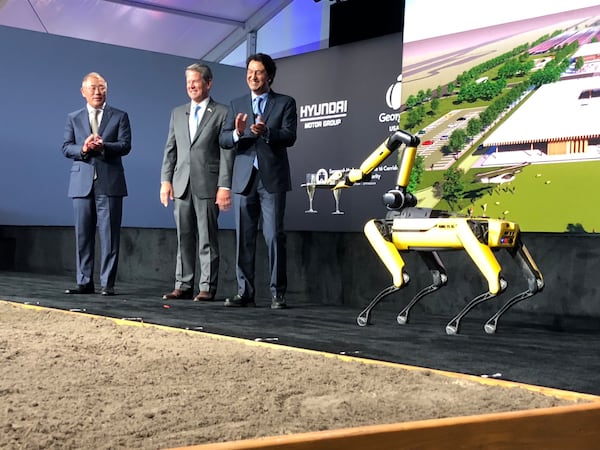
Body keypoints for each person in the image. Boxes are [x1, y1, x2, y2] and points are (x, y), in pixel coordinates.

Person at [219, 53, 297, 309]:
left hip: (271, 179)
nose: (253, 76)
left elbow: (289, 136)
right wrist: (237, 132)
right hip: (244, 179)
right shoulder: (236, 103)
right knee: (244, 237)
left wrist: (267, 132)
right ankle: (245, 292)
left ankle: (278, 293)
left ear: (269, 76)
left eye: (259, 72)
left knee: (274, 236)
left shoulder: (285, 102)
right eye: (250, 72)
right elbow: (224, 140)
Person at [160, 63, 232, 302]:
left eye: (196, 81)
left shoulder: (222, 112)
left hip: (208, 184)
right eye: (188, 81)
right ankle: (183, 284)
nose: (191, 85)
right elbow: (170, 150)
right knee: (184, 236)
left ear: (208, 83)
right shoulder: (177, 112)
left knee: (207, 238)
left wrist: (224, 185)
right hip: (181, 184)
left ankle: (206, 288)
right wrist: (165, 181)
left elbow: (226, 153)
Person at [61, 72, 132, 296]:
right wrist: (83, 149)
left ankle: (107, 284)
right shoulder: (74, 117)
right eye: (92, 88)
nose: (97, 92)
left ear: (106, 90)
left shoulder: (120, 116)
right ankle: (84, 281)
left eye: (101, 88)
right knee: (83, 235)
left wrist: (103, 147)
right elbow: (65, 147)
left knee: (110, 236)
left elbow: (125, 145)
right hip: (81, 183)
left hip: (109, 183)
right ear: (83, 92)